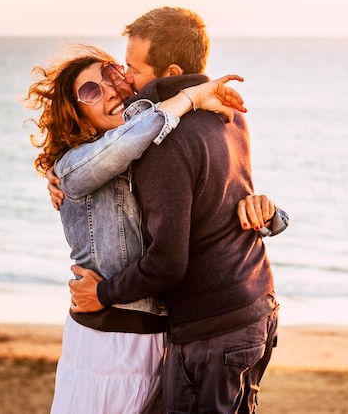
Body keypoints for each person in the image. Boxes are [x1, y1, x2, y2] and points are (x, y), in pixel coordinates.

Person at [24, 44, 286, 414]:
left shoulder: (149, 150)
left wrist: (269, 211)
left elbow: (208, 204)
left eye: (112, 73)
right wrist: (191, 97)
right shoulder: (73, 168)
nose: (111, 89)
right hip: (108, 336)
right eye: (90, 91)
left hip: (159, 335)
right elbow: (124, 143)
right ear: (76, 115)